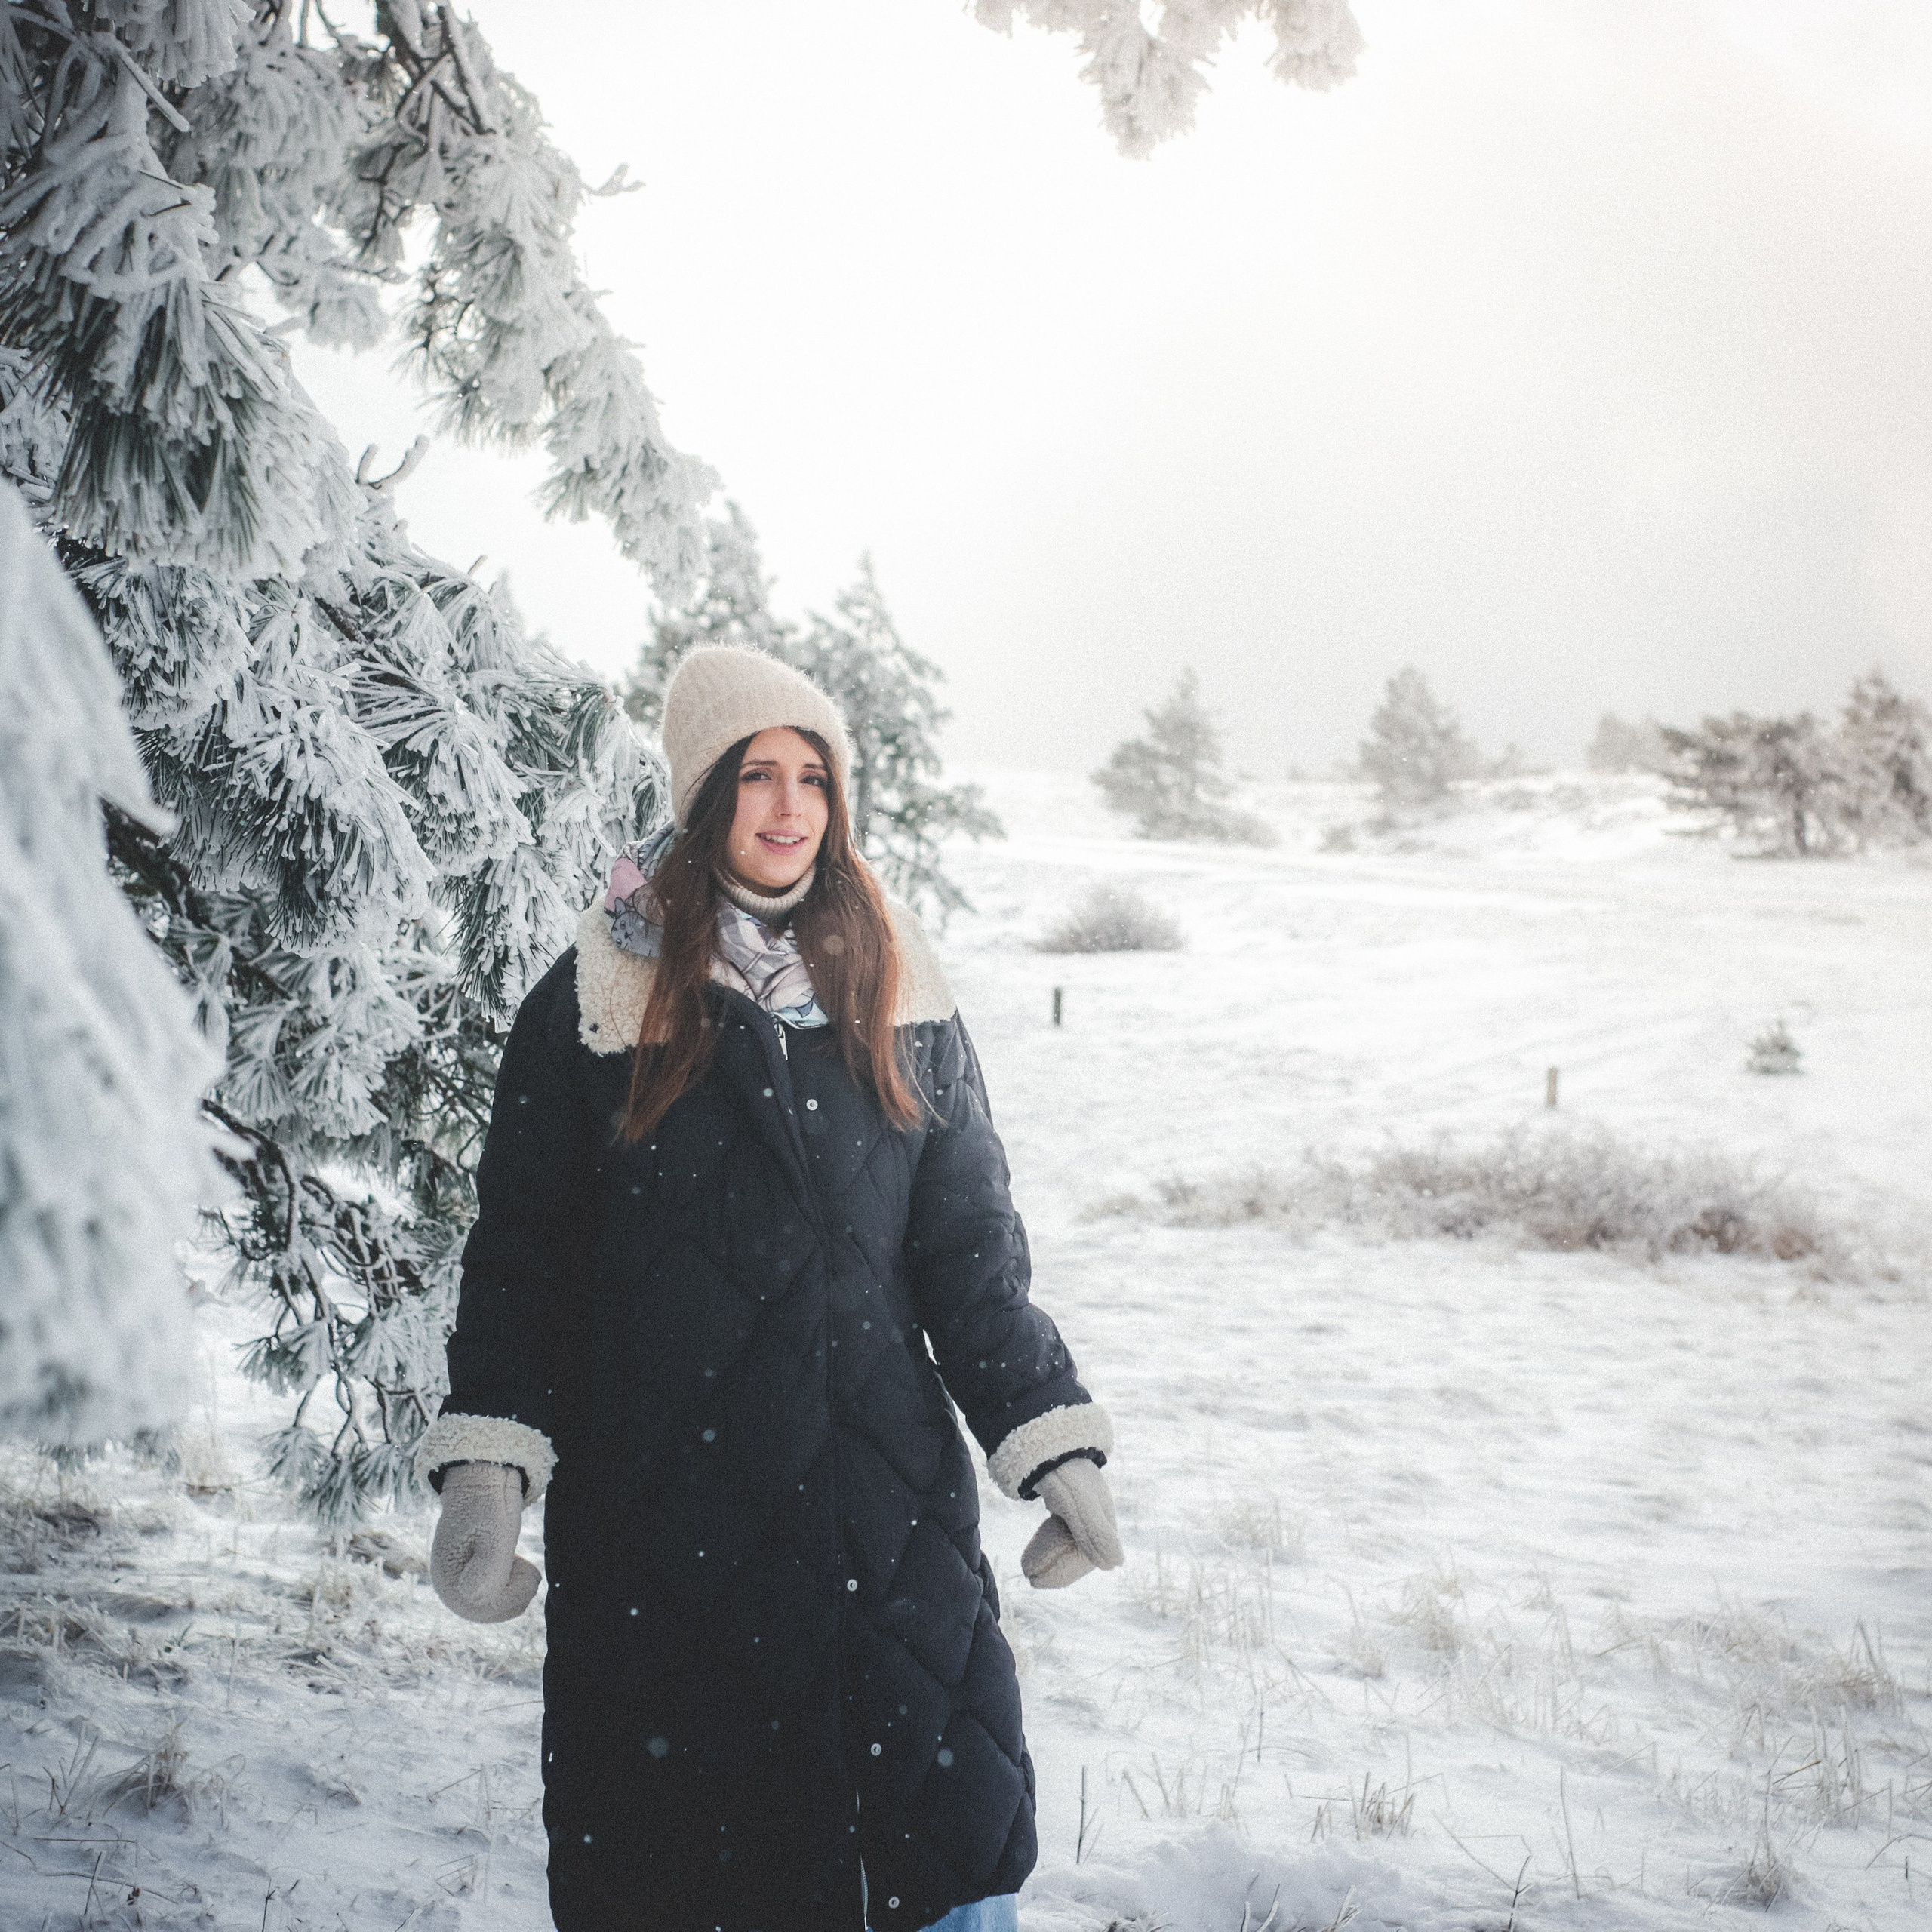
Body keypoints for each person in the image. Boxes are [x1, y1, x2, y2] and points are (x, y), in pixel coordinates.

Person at [415, 645, 1122, 1932]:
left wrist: (1049, 1436)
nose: (791, 808)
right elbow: (522, 1268)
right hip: (667, 1549)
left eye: (815, 778)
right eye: (758, 776)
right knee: (693, 1880)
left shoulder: (905, 996)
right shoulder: (591, 1008)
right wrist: (488, 1467)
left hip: (889, 1542)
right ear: (702, 794)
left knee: (933, 1875)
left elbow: (971, 1260)